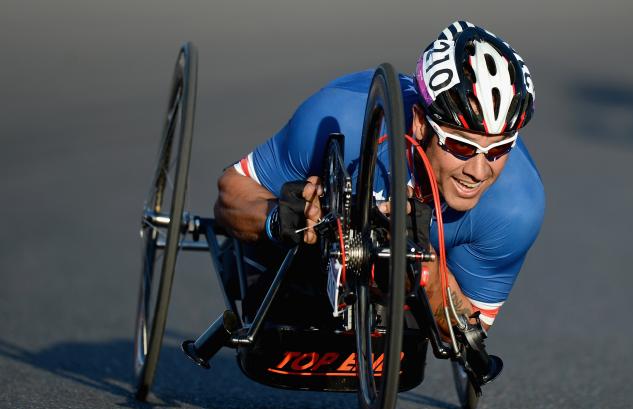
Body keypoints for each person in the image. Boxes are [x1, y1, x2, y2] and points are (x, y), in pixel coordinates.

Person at [214, 21, 544, 341]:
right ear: (419, 124)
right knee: (253, 268)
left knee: (408, 308)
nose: (479, 170)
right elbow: (230, 194)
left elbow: (467, 331)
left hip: (401, 293)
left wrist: (426, 270)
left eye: (500, 149)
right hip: (305, 259)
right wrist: (281, 218)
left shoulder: (517, 205)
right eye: (460, 145)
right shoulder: (338, 117)